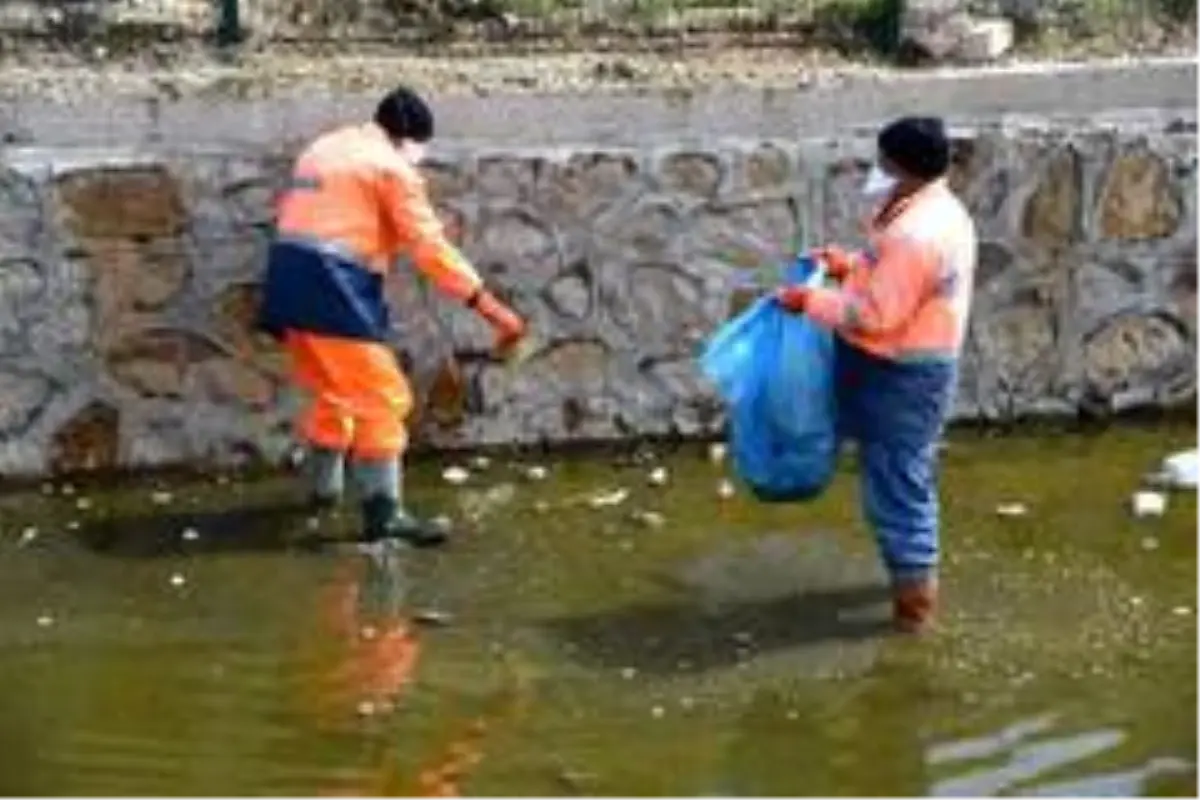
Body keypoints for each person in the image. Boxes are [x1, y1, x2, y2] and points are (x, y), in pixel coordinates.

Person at [257, 86, 527, 547]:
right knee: (384, 397)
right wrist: (490, 307)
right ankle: (385, 517)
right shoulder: (392, 168)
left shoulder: (326, 148)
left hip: (286, 281)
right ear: (409, 139)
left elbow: (302, 212)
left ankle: (321, 492)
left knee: (337, 391)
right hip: (331, 287)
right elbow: (429, 247)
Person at [775, 116, 977, 633]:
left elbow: (874, 316)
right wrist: (848, 267)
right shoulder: (928, 208)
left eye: (884, 159)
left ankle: (915, 615)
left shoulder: (917, 232)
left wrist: (809, 302)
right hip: (893, 365)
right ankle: (911, 585)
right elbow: (889, 285)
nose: (877, 166)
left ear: (903, 166)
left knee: (897, 484)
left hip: (902, 375)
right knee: (896, 477)